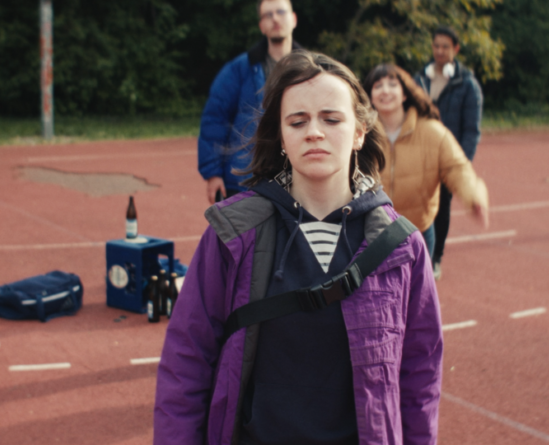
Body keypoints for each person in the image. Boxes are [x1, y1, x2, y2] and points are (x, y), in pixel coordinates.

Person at [155, 50, 443, 445]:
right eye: (298, 121)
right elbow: (186, 361)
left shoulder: (401, 247)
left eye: (331, 119)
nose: (314, 132)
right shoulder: (233, 235)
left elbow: (420, 376)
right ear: (281, 136)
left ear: (359, 132)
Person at [363, 63, 488, 262]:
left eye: (392, 84)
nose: (385, 90)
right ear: (370, 96)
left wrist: (474, 197)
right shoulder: (361, 134)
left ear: (405, 94)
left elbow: (457, 167)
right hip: (374, 234)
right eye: (378, 86)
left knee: (419, 284)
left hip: (417, 231)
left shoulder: (432, 131)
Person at [198, 0, 300, 204]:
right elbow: (215, 119)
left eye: (281, 12)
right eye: (268, 15)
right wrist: (213, 174)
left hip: (297, 179)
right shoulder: (238, 69)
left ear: (293, 19)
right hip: (247, 179)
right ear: (261, 26)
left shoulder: (310, 70)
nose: (275, 19)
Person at [414, 26, 484, 279]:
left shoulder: (467, 85)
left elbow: (471, 131)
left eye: (445, 46)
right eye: (436, 46)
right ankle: (415, 255)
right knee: (416, 205)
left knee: (441, 209)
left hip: (446, 159)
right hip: (419, 155)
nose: (440, 51)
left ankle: (435, 258)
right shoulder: (419, 79)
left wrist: (460, 164)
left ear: (456, 49)